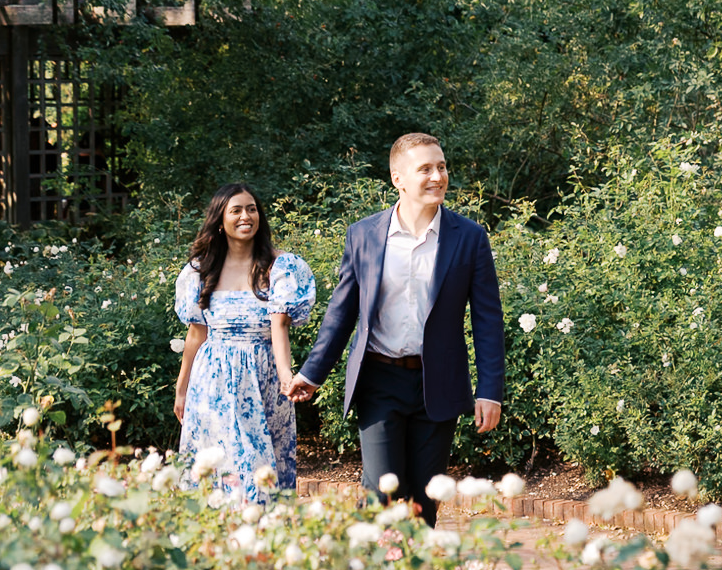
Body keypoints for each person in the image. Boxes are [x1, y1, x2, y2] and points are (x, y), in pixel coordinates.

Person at [288, 133, 504, 524]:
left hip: (438, 382)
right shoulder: (364, 235)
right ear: (397, 178)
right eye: (425, 168)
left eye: (441, 167)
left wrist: (490, 391)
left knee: (425, 498)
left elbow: (488, 319)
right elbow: (342, 311)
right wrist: (312, 372)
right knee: (383, 491)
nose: (437, 176)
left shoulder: (469, 238)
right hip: (379, 380)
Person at [172, 183, 316, 504]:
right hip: (213, 382)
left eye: (251, 209)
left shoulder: (280, 267)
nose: (245, 216)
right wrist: (182, 389)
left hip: (262, 380)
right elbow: (197, 334)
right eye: (235, 210)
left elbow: (279, 325)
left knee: (263, 472)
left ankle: (261, 545)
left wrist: (285, 377)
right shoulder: (201, 271)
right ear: (219, 220)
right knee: (223, 469)